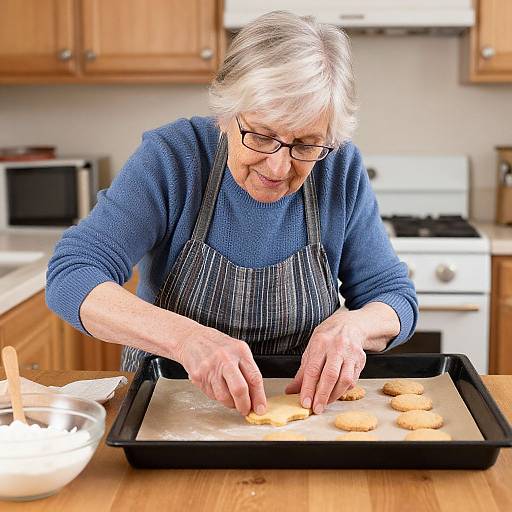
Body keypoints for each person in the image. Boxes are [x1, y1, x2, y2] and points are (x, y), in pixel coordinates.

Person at [46, 11, 418, 418]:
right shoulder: (174, 158)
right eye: (261, 136)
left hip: (303, 417)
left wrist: (355, 327)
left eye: (306, 145)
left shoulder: (338, 167)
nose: (278, 169)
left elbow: (394, 296)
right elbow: (73, 274)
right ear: (226, 113)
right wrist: (185, 339)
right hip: (168, 408)